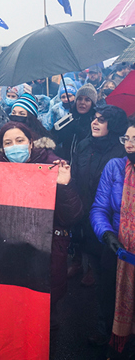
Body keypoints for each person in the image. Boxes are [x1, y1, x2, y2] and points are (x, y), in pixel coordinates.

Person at [0, 110, 83, 333]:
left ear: (31, 142)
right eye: (8, 143)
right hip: (11, 247)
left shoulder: (53, 165)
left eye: (19, 140)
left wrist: (64, 185)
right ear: (2, 148)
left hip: (47, 248)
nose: (14, 146)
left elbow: (72, 216)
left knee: (44, 315)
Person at [69, 106, 128, 296]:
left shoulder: (123, 153)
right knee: (94, 261)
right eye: (94, 118)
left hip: (111, 222)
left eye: (101, 120)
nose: (94, 122)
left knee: (111, 279)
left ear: (114, 125)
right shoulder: (84, 145)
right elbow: (76, 176)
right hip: (86, 213)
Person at [90, 117, 135, 353]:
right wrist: (106, 233)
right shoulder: (115, 167)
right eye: (126, 138)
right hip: (118, 252)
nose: (129, 144)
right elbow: (99, 208)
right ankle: (116, 348)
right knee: (110, 301)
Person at [54, 83, 97, 161]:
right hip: (66, 164)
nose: (82, 102)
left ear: (92, 104)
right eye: (80, 99)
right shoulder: (68, 119)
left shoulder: (95, 122)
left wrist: (81, 131)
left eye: (87, 100)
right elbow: (55, 140)